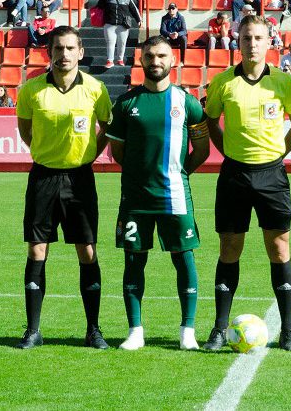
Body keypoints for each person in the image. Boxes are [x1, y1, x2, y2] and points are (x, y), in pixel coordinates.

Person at [201, 14, 291, 351]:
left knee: (279, 248)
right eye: (246, 38)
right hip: (234, 174)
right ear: (237, 40)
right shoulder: (222, 83)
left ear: (269, 42)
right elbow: (210, 122)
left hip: (272, 174)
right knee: (230, 248)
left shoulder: (284, 83)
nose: (252, 44)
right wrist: (226, 150)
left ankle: (288, 329)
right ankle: (219, 328)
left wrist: (279, 153)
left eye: (258, 38)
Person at [106, 36, 211, 351]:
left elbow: (202, 150)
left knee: (184, 259)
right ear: (141, 60)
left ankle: (187, 331)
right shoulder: (126, 103)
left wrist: (177, 174)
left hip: (175, 196)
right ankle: (135, 330)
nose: (155, 61)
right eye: (149, 55)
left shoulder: (187, 102)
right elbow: (118, 151)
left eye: (161, 55)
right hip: (136, 198)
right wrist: (142, 174)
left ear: (173, 60)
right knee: (134, 261)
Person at [14, 26, 113, 350]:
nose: (64, 54)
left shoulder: (96, 89)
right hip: (43, 177)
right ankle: (32, 330)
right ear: (50, 52)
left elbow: (108, 129)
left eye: (71, 48)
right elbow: (25, 131)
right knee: (37, 250)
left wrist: (88, 156)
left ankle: (93, 330)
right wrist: (46, 153)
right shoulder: (31, 90)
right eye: (58, 48)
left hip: (80, 179)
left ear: (81, 52)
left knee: (87, 250)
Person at [98, 0, 141, 69]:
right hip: (110, 25)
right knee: (110, 42)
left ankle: (120, 59)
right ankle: (110, 61)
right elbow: (99, 7)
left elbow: (134, 10)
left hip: (123, 25)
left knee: (122, 43)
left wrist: (139, 20)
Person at [160, 2, 187, 67]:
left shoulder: (181, 18)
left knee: (184, 38)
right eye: (169, 9)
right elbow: (162, 30)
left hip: (178, 38)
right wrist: (169, 34)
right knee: (161, 38)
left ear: (177, 9)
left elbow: (184, 30)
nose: (171, 10)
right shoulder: (164, 18)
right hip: (169, 38)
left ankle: (182, 60)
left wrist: (177, 34)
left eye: (173, 8)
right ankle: (163, 61)